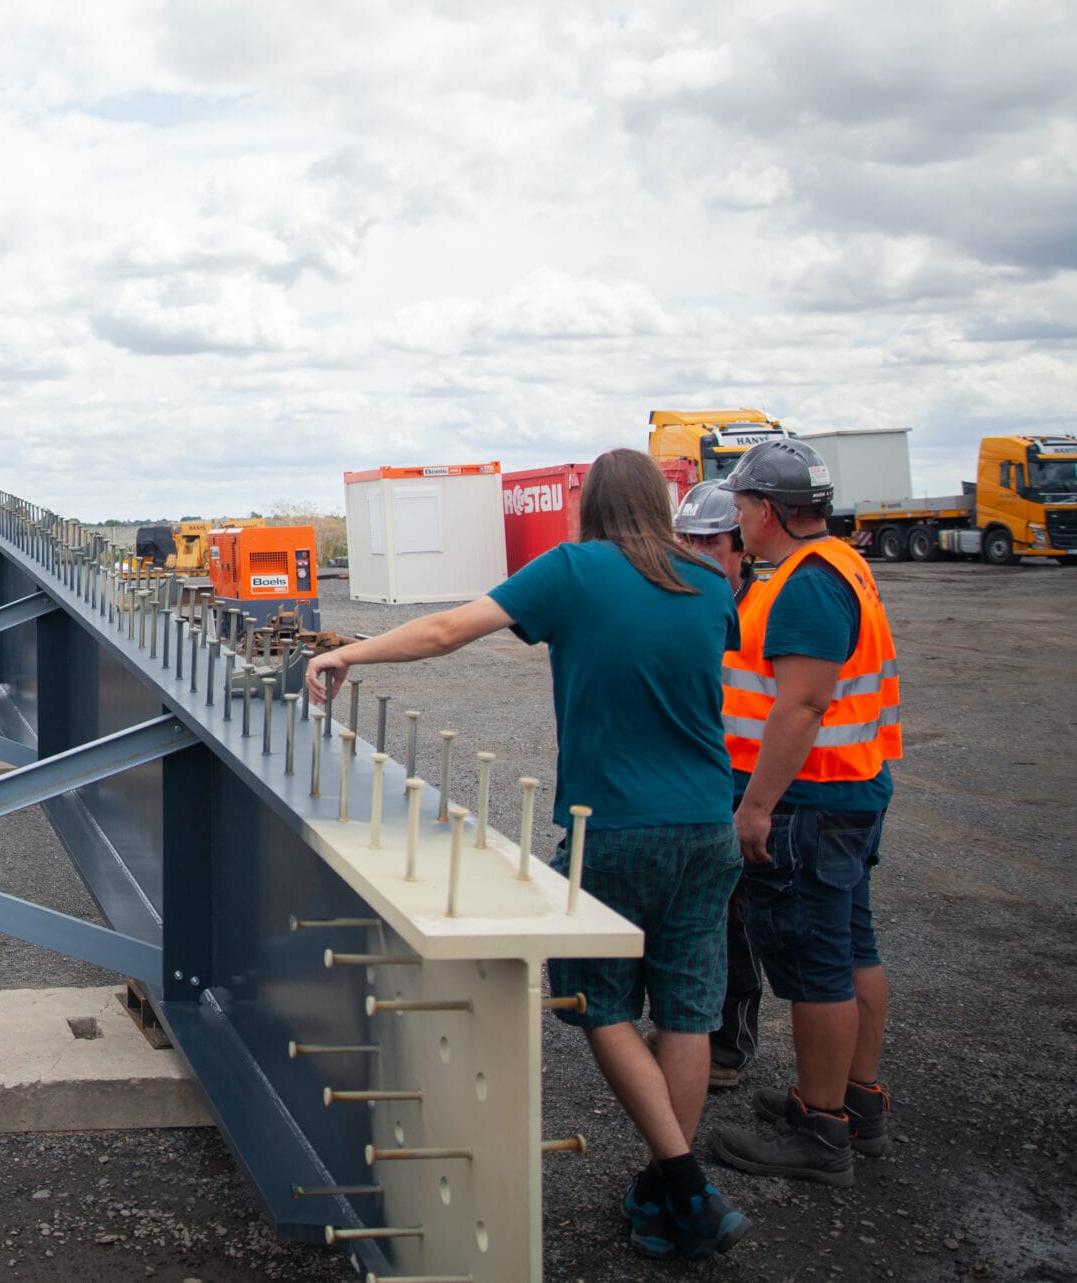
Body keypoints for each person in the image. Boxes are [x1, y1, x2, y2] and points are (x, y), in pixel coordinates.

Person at [308, 448, 751, 1260]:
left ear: (591, 508)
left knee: (598, 1001)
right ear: (660, 503)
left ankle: (683, 1179)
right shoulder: (711, 582)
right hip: (707, 826)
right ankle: (667, 1194)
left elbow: (447, 629)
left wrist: (347, 652)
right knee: (689, 1011)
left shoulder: (574, 571)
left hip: (613, 828)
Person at [707, 439, 900, 1189]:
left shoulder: (809, 584)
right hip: (847, 788)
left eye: (746, 503)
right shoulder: (840, 564)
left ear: (773, 511)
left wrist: (757, 807)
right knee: (853, 947)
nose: (739, 515)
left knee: (820, 964)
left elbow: (804, 704)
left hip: (810, 800)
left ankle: (823, 1128)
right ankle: (856, 1102)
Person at [676, 481, 763, 1092]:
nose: (696, 551)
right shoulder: (684, 601)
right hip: (701, 780)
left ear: (740, 546)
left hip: (752, 783)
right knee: (700, 915)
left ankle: (728, 1046)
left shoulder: (765, 606)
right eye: (686, 540)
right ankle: (692, 1030)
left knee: (741, 919)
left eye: (709, 541)